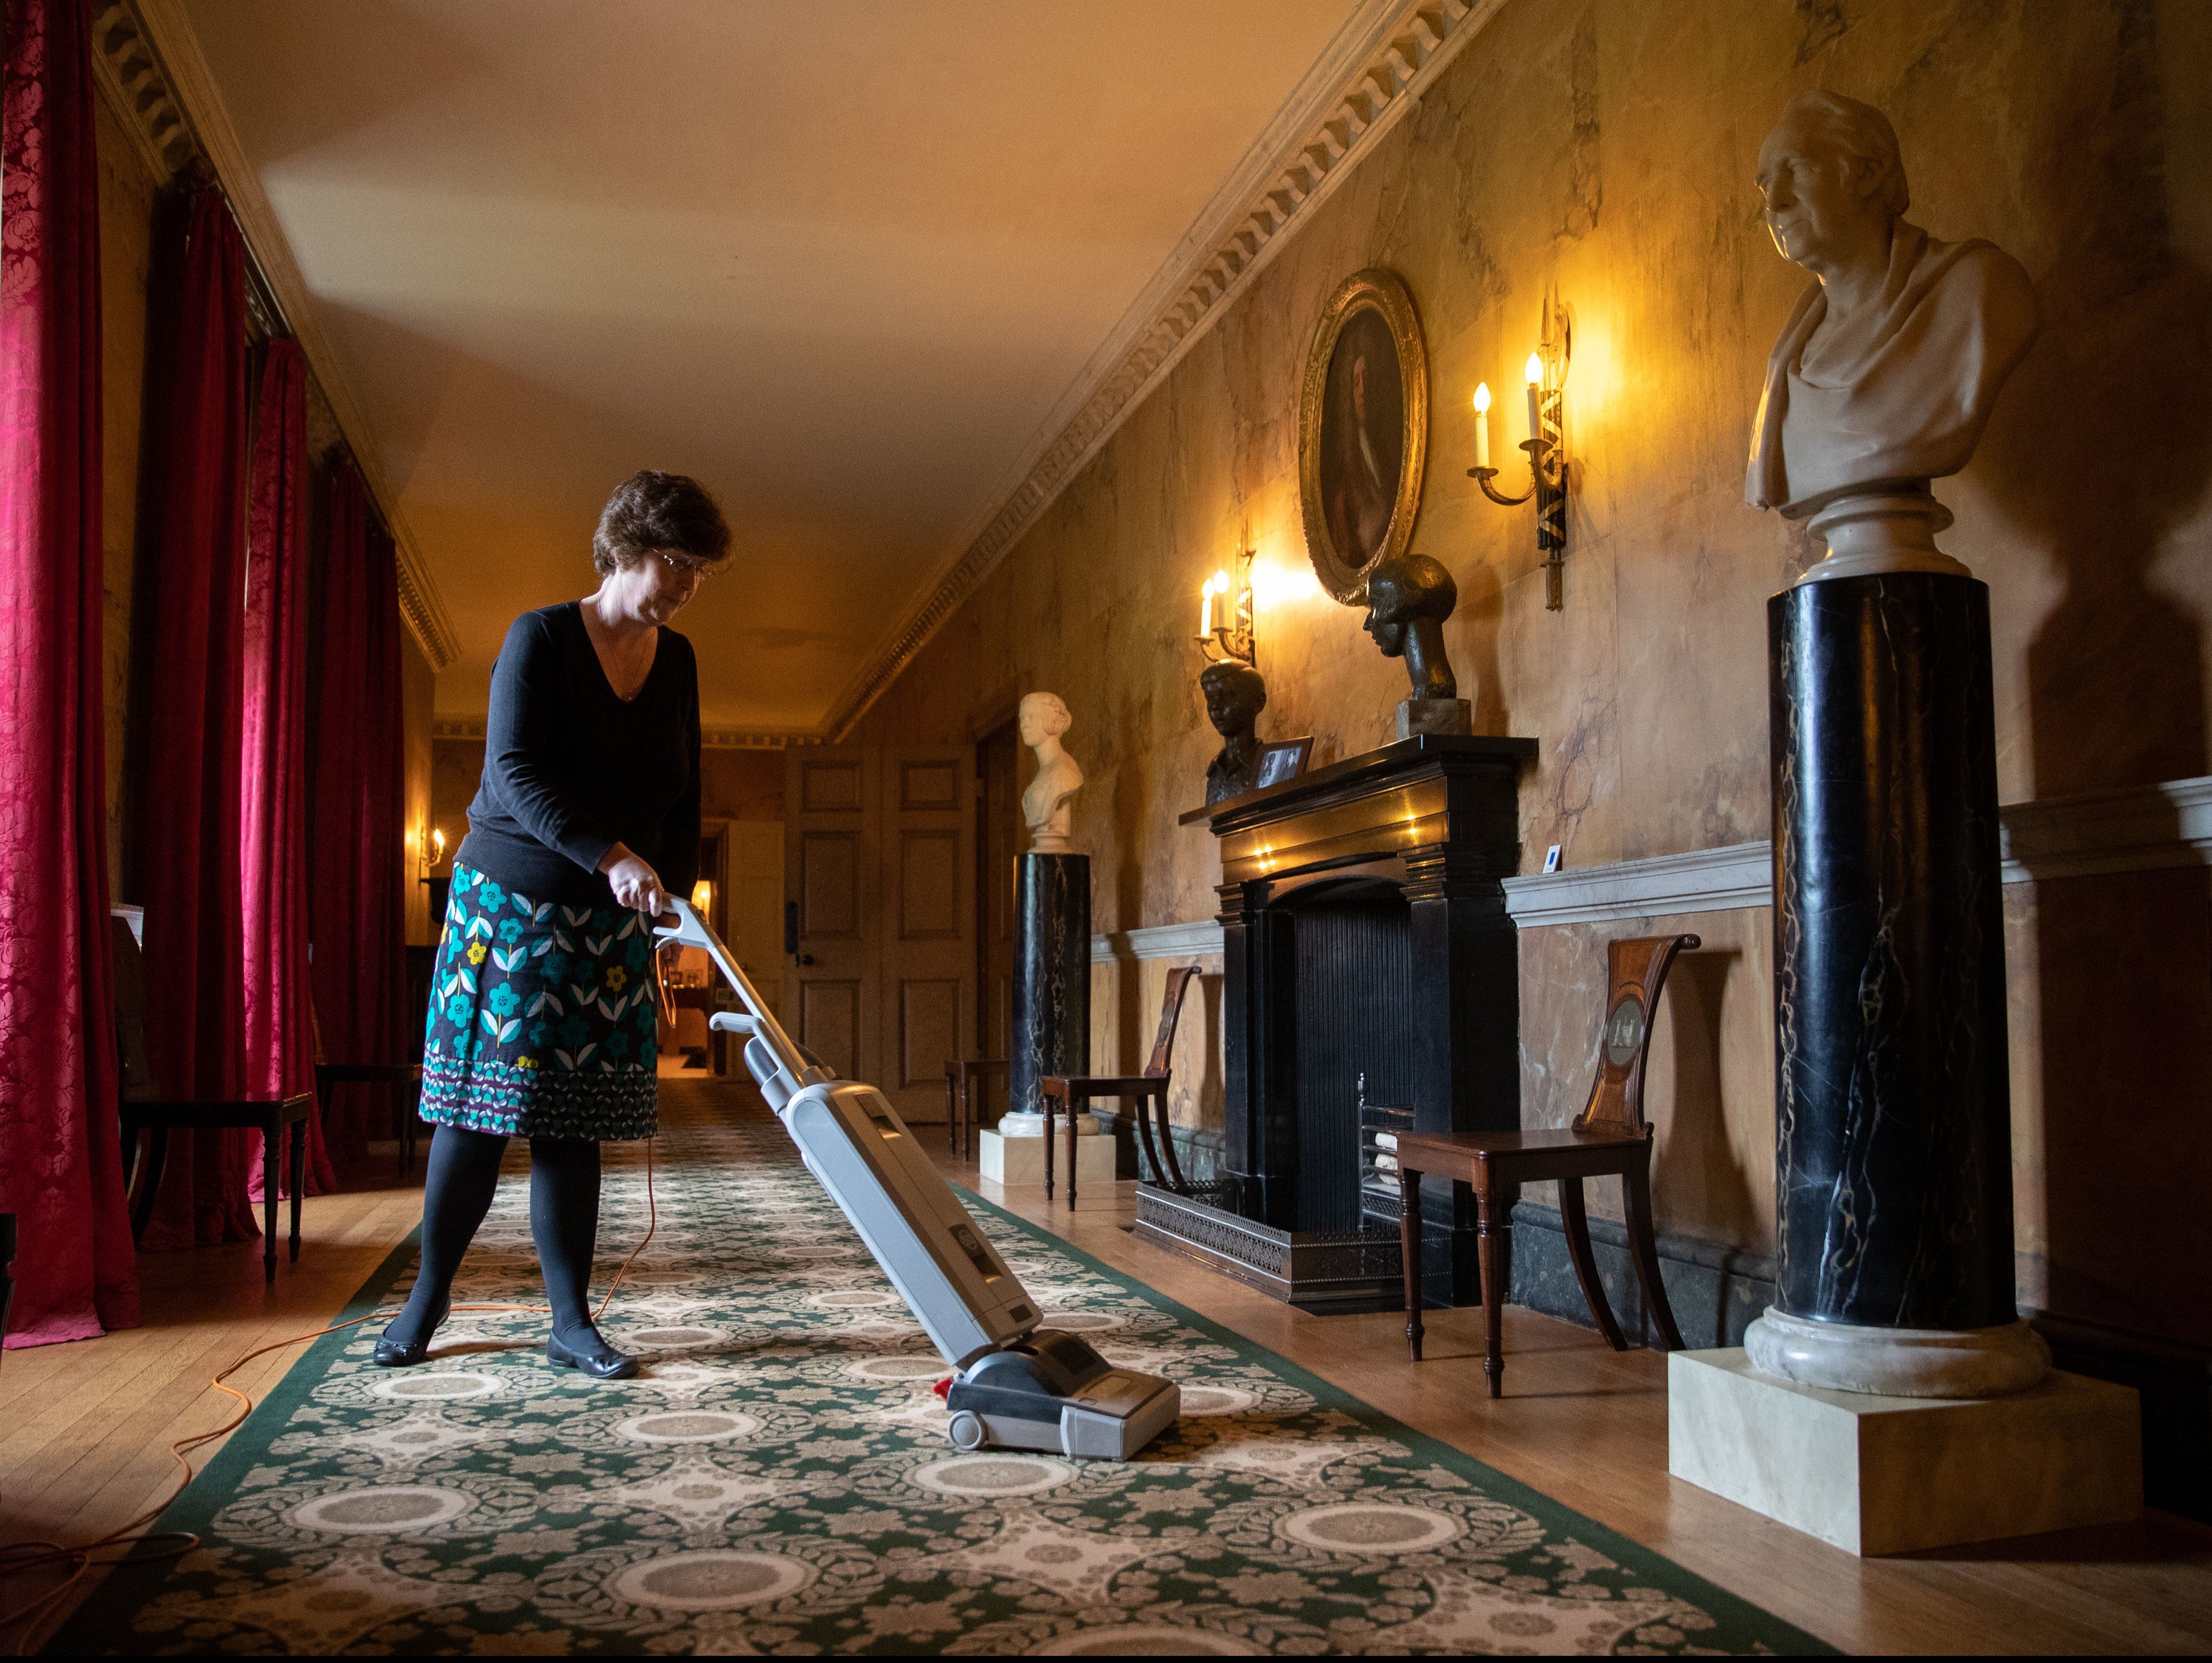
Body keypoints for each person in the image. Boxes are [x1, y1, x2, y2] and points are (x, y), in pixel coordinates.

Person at [374, 470, 730, 1379]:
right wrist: (610, 855)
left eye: (699, 569)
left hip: (606, 917)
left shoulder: (678, 662)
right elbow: (517, 773)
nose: (686, 583)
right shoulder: (539, 638)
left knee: (572, 1121)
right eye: (672, 560)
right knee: (479, 1114)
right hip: (510, 903)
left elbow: (682, 792)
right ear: (623, 548)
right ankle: (428, 1299)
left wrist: (676, 901)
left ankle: (570, 1323)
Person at [1745, 90, 2041, 521]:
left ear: (1868, 173)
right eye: (1766, 184)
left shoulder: (1980, 288)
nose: (1774, 204)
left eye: (1798, 169)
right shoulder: (1787, 364)